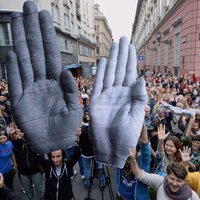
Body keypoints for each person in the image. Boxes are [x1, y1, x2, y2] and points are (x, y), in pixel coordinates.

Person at [129, 150, 199, 200]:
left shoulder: (192, 196)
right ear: (167, 176)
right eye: (172, 179)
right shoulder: (161, 182)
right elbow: (140, 175)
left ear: (184, 182)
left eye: (179, 181)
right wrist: (133, 159)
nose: (174, 183)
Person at [9, 122, 45, 200]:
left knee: (40, 192)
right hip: (24, 173)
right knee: (29, 194)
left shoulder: (33, 139)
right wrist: (12, 134)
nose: (19, 132)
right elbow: (16, 140)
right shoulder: (16, 142)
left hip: (36, 171)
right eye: (17, 130)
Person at [115, 124, 151, 200]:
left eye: (132, 148)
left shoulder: (143, 161)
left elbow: (145, 148)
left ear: (137, 150)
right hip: (120, 196)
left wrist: (143, 126)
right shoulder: (123, 159)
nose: (129, 151)